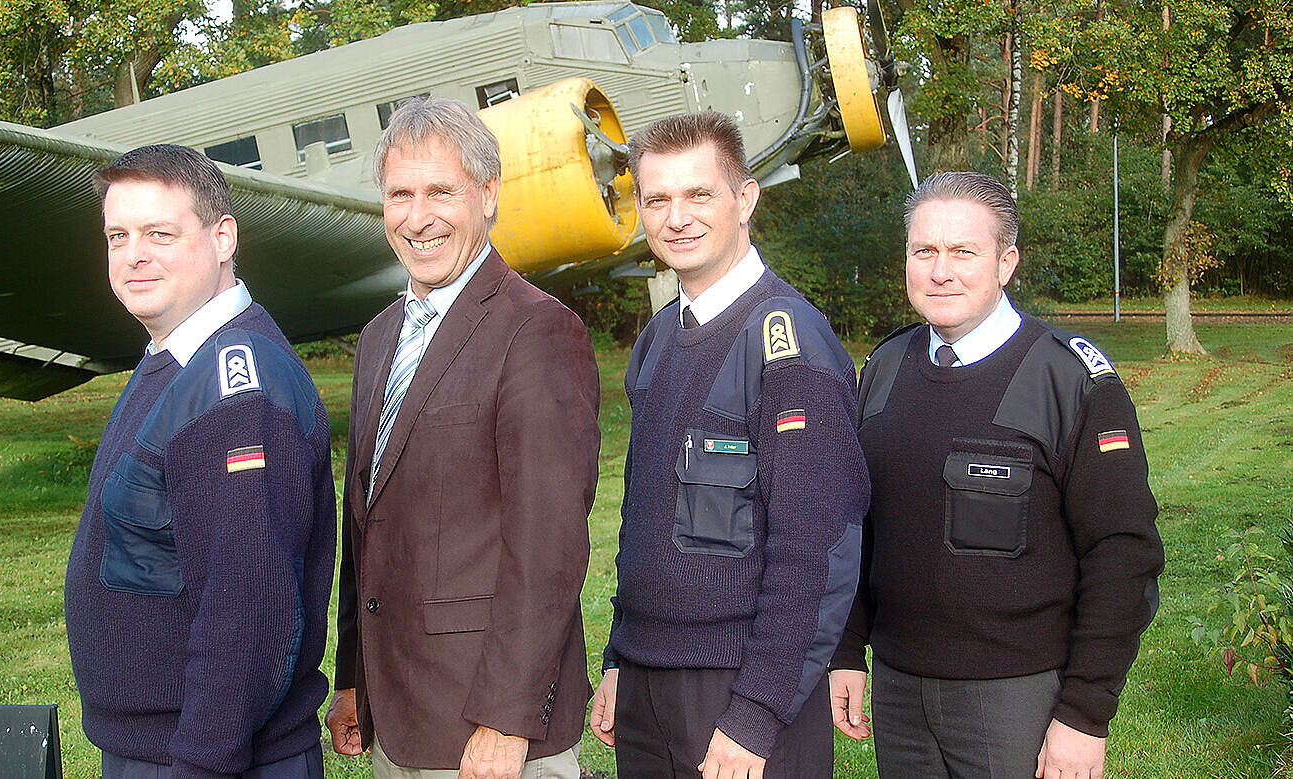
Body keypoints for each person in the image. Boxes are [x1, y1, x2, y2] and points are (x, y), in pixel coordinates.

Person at [829, 171, 1165, 779]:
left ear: (1006, 263)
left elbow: (1123, 552)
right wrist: (848, 649)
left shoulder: (1069, 380)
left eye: (964, 252)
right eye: (924, 251)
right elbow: (858, 527)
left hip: (1019, 697)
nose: (941, 271)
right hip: (900, 693)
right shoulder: (884, 369)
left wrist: (1085, 713)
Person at [323, 96, 600, 779]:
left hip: (491, 731)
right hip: (398, 718)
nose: (418, 218)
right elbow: (366, 525)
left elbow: (549, 547)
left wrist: (508, 717)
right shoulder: (379, 338)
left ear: (488, 194)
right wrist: (353, 677)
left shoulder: (537, 329)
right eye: (400, 195)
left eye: (441, 192)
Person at [589, 111, 870, 778]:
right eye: (657, 199)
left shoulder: (789, 346)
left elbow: (816, 550)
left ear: (745, 199)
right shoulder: (658, 339)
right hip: (647, 685)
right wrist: (620, 658)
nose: (676, 218)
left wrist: (757, 713)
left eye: (699, 194)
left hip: (742, 692)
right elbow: (645, 520)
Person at [64, 144, 337, 778]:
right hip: (159, 749)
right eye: (118, 236)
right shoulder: (174, 361)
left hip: (207, 758)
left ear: (222, 238)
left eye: (160, 233)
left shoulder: (236, 387)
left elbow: (249, 610)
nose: (134, 255)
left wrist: (201, 765)